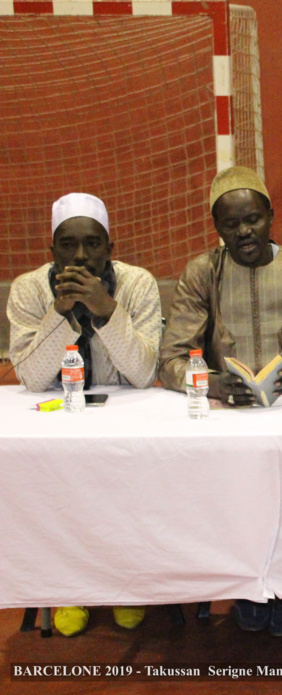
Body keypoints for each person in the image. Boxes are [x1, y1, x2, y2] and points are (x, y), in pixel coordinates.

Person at [159, 166, 282, 636]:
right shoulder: (202, 272)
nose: (243, 232)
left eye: (253, 220)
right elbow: (171, 359)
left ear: (271, 217)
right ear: (217, 227)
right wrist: (212, 383)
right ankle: (246, 584)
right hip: (228, 413)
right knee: (233, 496)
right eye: (231, 224)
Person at [6, 192, 162, 637]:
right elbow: (33, 378)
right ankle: (69, 587)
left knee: (126, 492)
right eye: (67, 245)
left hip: (124, 409)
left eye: (92, 244)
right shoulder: (28, 290)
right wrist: (60, 314)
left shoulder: (137, 284)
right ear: (50, 251)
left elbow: (141, 373)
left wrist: (107, 311)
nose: (80, 256)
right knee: (58, 494)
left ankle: (125, 587)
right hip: (56, 413)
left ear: (110, 248)